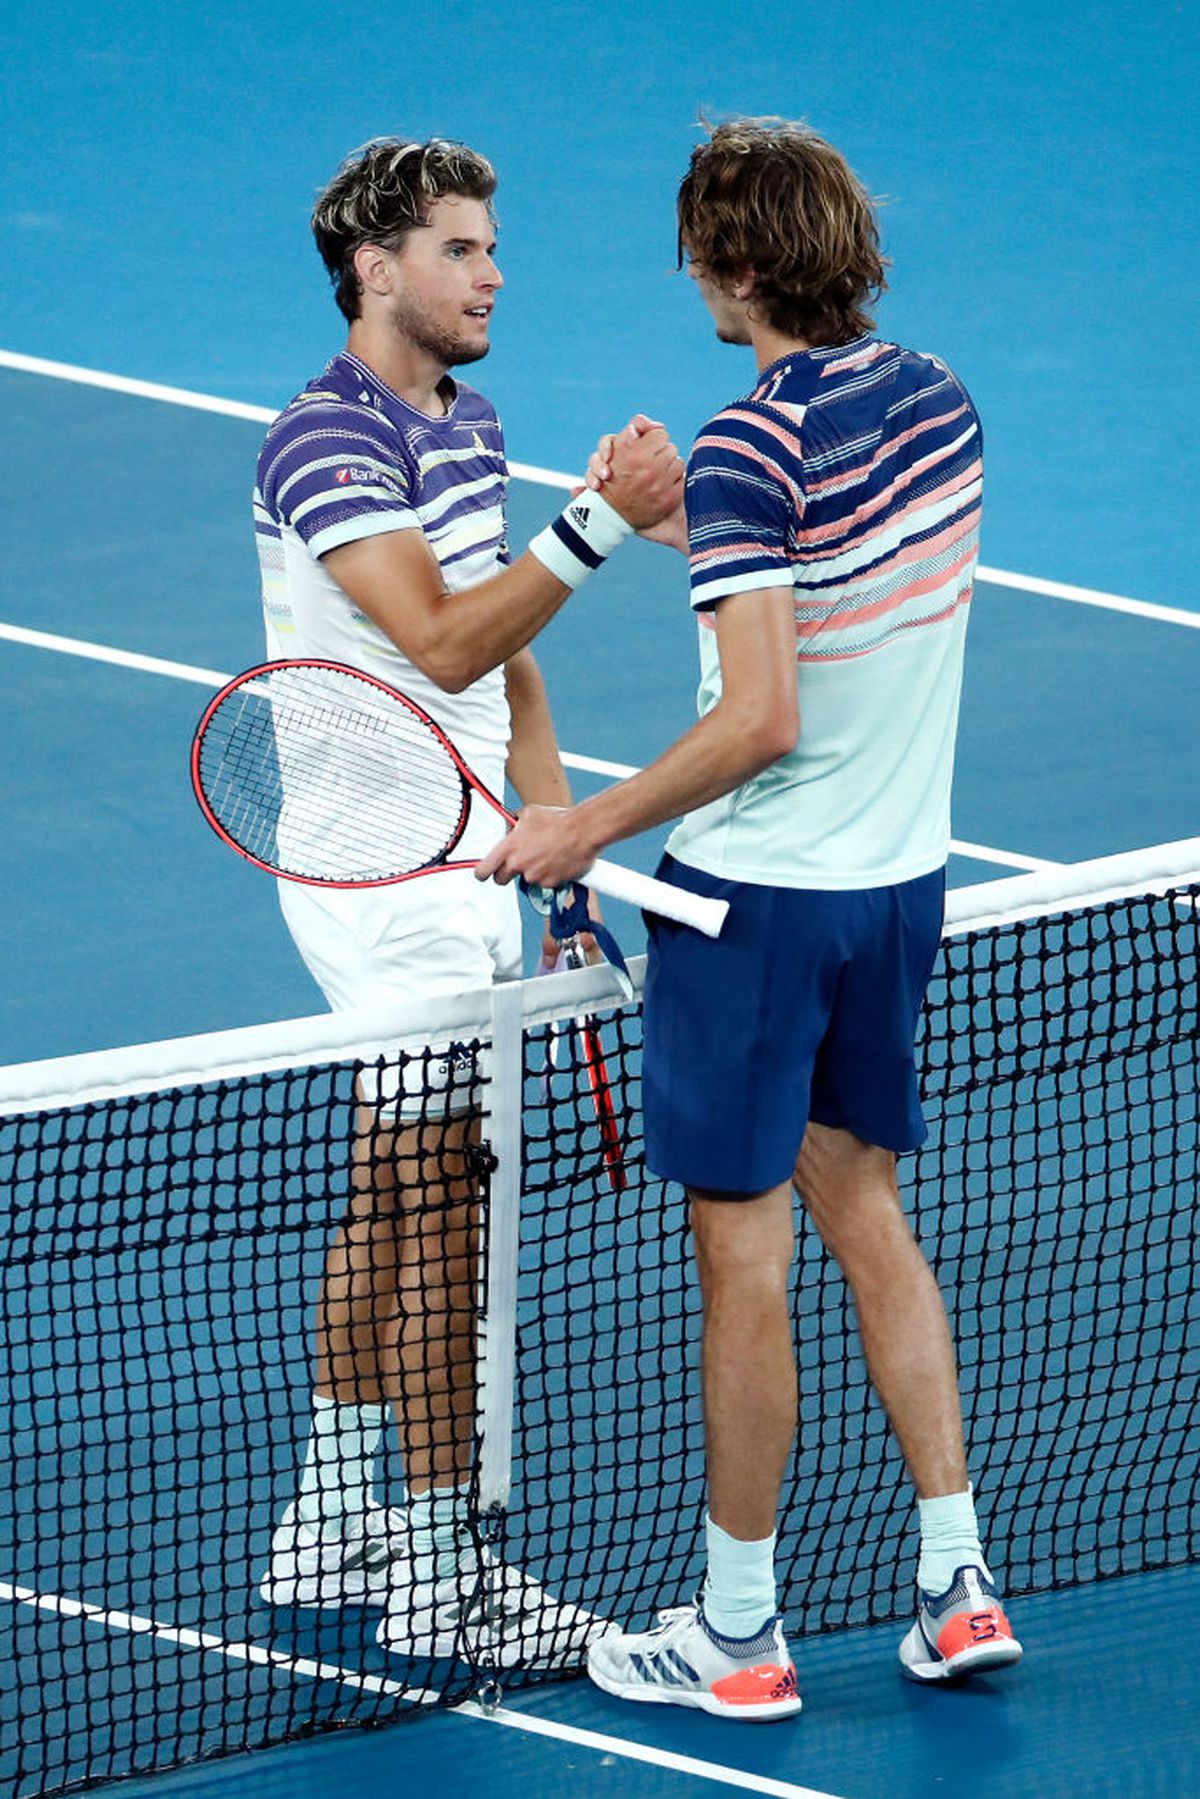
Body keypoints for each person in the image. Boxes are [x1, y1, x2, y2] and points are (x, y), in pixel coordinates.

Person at [477, 117, 1023, 1716]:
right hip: (897, 888)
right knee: (870, 1213)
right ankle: (957, 1585)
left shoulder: (749, 448)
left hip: (755, 912)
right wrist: (690, 526)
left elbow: (765, 714)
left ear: (730, 267)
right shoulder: (937, 396)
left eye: (694, 256)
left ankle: (736, 1631)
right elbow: (835, 575)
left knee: (746, 1263)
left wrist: (585, 824)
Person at [251, 135, 684, 1667]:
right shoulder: (323, 443)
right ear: (376, 270)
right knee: (453, 1218)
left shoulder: (465, 419)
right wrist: (600, 521)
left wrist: (555, 833)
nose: (493, 274)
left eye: (493, 246)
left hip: (466, 858)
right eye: (459, 249)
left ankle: (327, 1520)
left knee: (396, 1186)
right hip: (379, 879)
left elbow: (503, 652)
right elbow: (437, 638)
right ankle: (441, 1574)